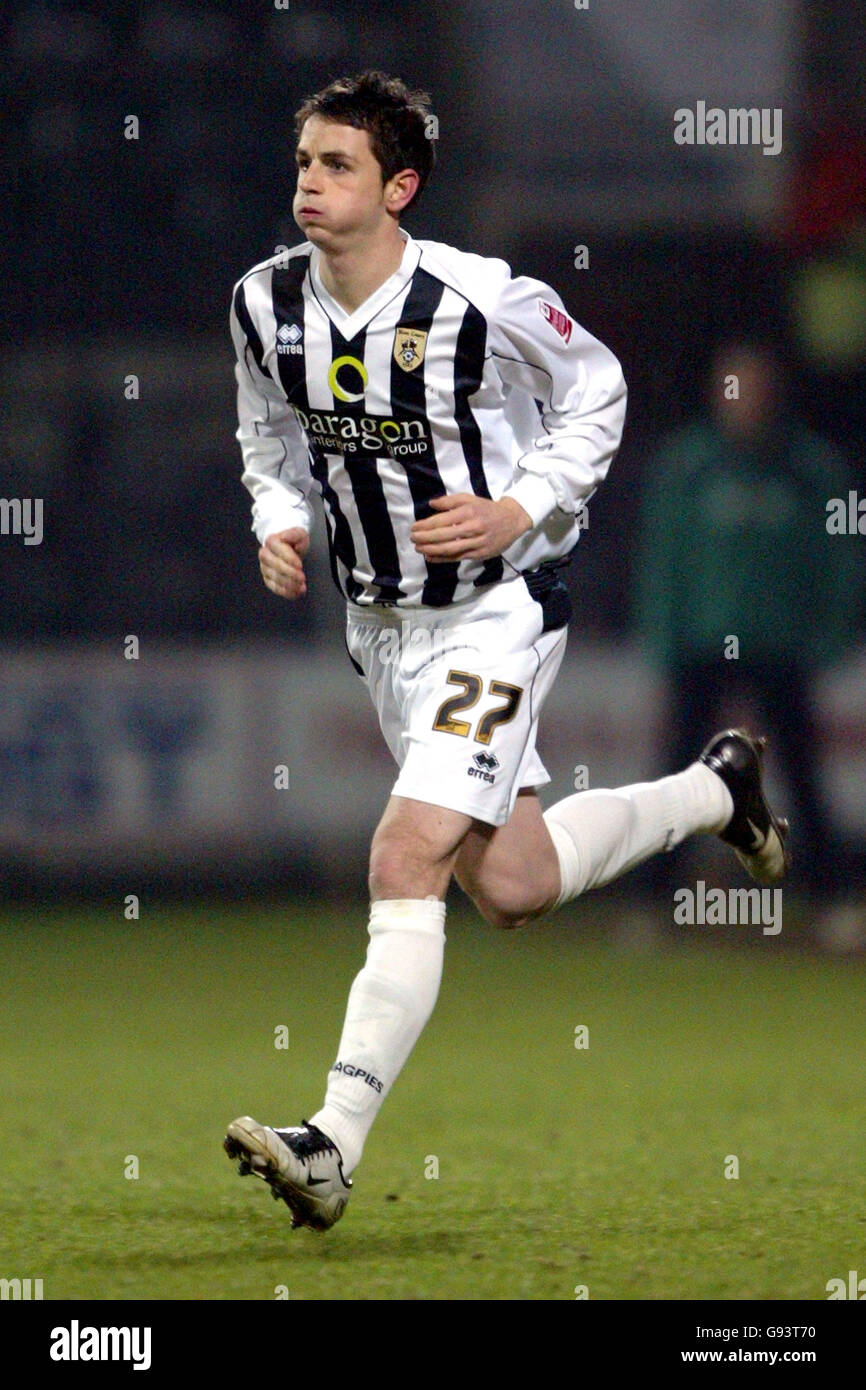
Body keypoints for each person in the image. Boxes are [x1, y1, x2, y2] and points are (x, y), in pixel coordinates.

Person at [223, 72, 789, 1231]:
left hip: (495, 607)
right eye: (303, 164)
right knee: (516, 886)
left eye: (337, 165)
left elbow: (599, 390)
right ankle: (715, 788)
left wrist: (519, 504)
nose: (310, 184)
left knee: (403, 852)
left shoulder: (479, 298)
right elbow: (264, 432)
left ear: (400, 187)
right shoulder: (261, 303)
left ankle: (331, 1140)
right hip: (380, 632)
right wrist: (276, 520)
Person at [633, 339, 855, 905]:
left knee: (802, 777)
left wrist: (831, 638)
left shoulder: (809, 469)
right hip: (701, 647)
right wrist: (663, 640)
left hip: (779, 645)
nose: (745, 401)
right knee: (680, 775)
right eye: (735, 387)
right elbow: (661, 561)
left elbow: (842, 560)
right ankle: (654, 901)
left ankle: (830, 898)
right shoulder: (688, 466)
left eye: (756, 388)